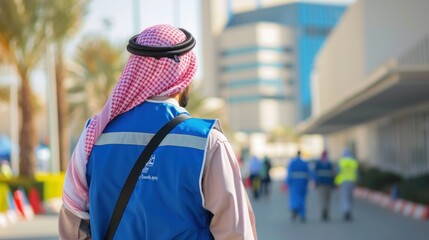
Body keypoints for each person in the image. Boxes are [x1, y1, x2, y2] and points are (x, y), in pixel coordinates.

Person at [59, 25, 257, 240]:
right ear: (184, 77)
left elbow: (72, 226)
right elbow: (236, 233)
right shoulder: (208, 143)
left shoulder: (94, 138)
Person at [335, 148, 359, 221]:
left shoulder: (341, 162)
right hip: (352, 182)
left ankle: (346, 211)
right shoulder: (354, 162)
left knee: (344, 197)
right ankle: (349, 211)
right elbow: (357, 173)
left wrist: (336, 182)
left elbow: (337, 171)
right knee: (350, 197)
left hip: (343, 182)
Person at [286, 151, 309, 222]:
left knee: (295, 198)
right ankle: (302, 214)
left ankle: (295, 210)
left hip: (295, 183)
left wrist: (288, 182)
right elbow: (309, 172)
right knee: (302, 199)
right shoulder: (304, 163)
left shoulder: (292, 163)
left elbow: (289, 173)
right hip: (303, 183)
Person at [313, 150, 335, 221]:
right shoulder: (329, 164)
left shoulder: (318, 164)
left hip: (321, 183)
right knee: (328, 199)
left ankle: (324, 210)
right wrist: (333, 183)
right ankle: (326, 211)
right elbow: (333, 174)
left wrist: (316, 182)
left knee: (322, 198)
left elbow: (315, 174)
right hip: (328, 183)